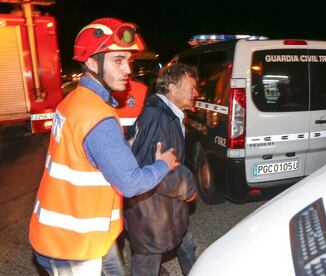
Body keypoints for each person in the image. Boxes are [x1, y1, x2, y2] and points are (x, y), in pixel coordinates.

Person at [28, 17, 179, 276]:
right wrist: (163, 164)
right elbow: (131, 184)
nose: (128, 70)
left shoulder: (76, 100)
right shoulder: (97, 116)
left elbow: (87, 152)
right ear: (91, 62)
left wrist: (123, 145)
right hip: (71, 246)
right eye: (118, 61)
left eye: (128, 61)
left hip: (89, 236)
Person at [124, 63, 199, 276]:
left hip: (166, 208)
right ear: (173, 88)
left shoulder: (164, 112)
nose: (195, 93)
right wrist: (189, 187)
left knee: (185, 240)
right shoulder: (159, 117)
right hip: (150, 212)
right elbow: (154, 168)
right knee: (147, 260)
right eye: (191, 87)